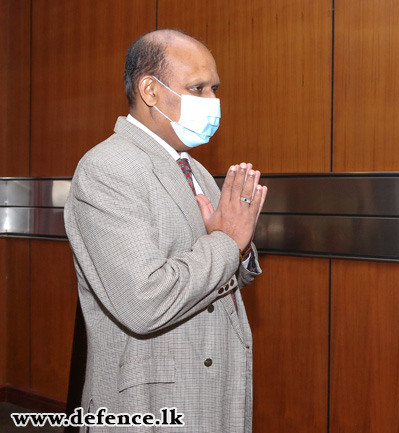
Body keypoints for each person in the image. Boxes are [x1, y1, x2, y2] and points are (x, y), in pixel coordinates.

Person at [64, 29, 267, 432]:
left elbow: (221, 266)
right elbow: (146, 302)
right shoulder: (107, 169)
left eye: (214, 88)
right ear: (150, 91)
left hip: (211, 392)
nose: (213, 102)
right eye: (198, 88)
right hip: (152, 406)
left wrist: (239, 251)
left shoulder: (195, 170)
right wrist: (226, 242)